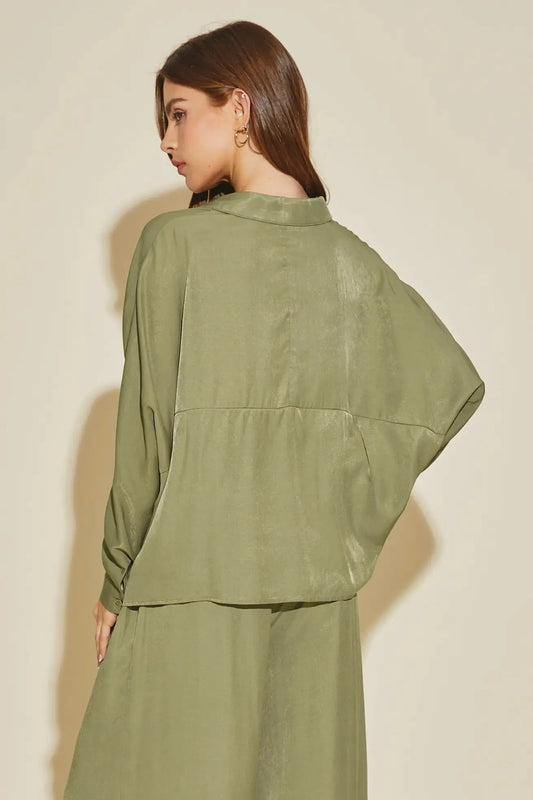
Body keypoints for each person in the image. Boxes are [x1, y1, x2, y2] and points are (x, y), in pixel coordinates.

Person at [63, 19, 485, 800]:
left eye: (179, 113)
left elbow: (148, 434)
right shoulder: (351, 263)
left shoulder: (174, 245)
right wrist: (339, 520)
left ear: (240, 106)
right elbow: (444, 388)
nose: (166, 140)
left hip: (188, 584)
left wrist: (117, 584)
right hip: (315, 599)